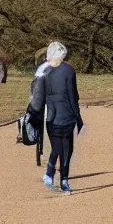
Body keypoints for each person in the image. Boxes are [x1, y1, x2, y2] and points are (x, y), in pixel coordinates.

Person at [30, 42, 83, 194]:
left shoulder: (43, 70)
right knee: (67, 149)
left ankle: (49, 173)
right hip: (67, 114)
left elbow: (37, 95)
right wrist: (77, 115)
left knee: (56, 147)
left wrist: (34, 114)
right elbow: (73, 96)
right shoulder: (69, 70)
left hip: (50, 115)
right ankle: (64, 180)